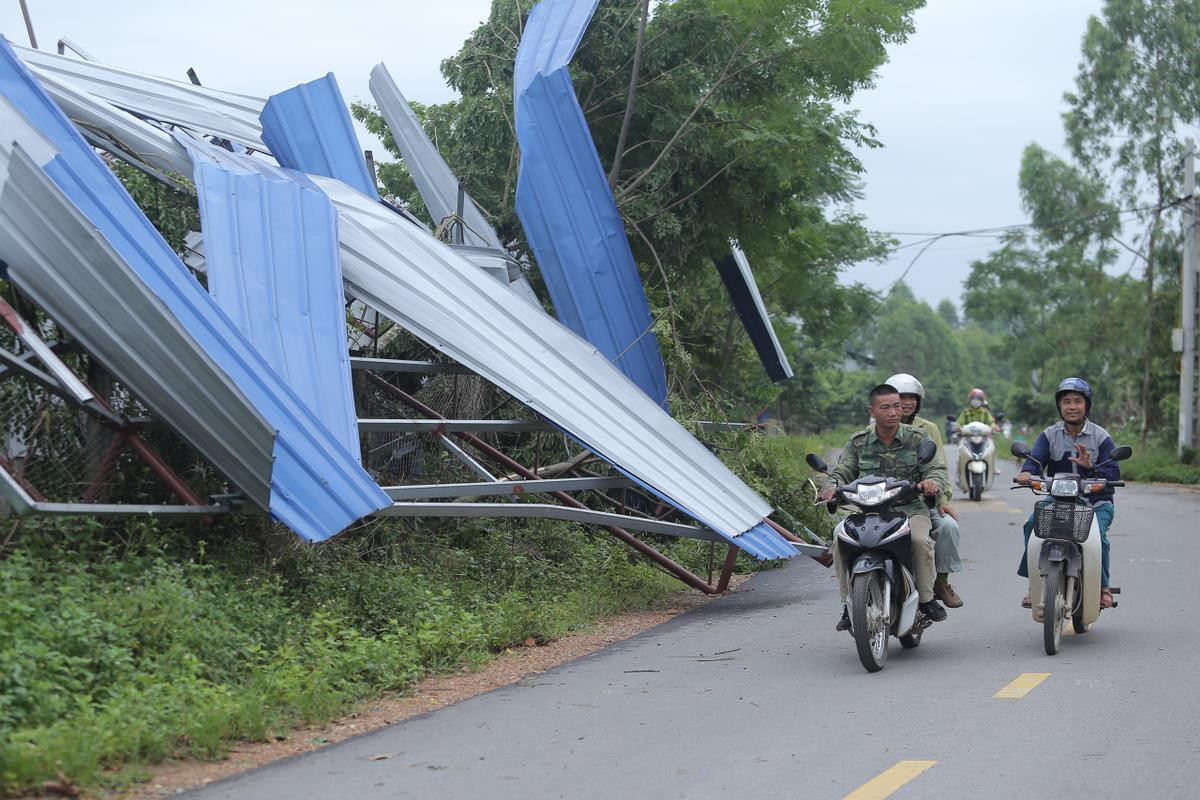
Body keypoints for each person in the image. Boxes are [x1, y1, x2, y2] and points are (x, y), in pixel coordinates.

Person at [822, 383, 950, 631]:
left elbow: (936, 468)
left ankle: (925, 600)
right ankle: (849, 605)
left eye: (897, 406)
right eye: (885, 407)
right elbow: (843, 470)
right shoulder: (858, 442)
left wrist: (932, 481)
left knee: (920, 542)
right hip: (865, 511)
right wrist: (831, 487)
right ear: (872, 411)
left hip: (909, 508)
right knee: (839, 539)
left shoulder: (917, 438)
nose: (893, 412)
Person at [1015, 377, 1120, 609]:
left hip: (1095, 503)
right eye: (1066, 402)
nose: (1072, 406)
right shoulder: (1049, 434)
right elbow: (1035, 460)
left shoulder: (1101, 436)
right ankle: (1034, 584)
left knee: (1098, 538)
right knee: (1031, 524)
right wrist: (1027, 472)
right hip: (1058, 499)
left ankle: (1103, 587)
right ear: (1060, 406)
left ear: (1086, 405)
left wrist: (1090, 467)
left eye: (1077, 401)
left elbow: (1113, 473)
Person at [885, 373, 964, 608]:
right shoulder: (873, 429)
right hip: (880, 501)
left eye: (912, 398)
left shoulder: (927, 429)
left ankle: (940, 582)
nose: (907, 403)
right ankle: (853, 599)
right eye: (901, 397)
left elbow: (939, 466)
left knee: (948, 527)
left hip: (920, 501)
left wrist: (941, 498)